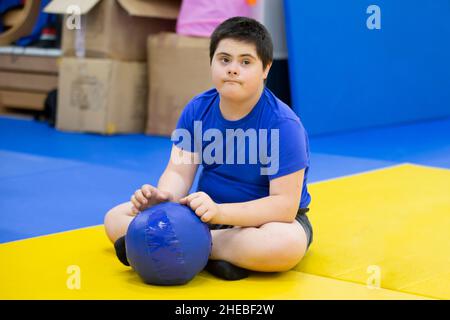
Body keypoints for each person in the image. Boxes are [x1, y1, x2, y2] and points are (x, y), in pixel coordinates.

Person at [104, 17, 313, 281]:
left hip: (266, 221)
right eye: (224, 60)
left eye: (245, 62)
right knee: (114, 218)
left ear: (265, 69)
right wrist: (164, 198)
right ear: (211, 62)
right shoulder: (197, 109)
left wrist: (221, 213)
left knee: (286, 245)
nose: (233, 69)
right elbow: (179, 172)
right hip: (207, 214)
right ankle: (216, 253)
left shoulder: (284, 125)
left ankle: (190, 247)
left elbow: (283, 206)